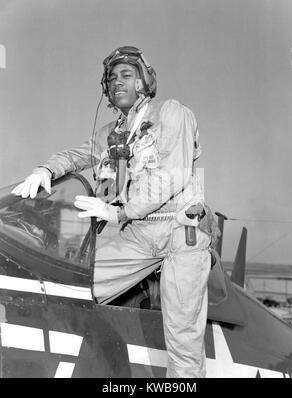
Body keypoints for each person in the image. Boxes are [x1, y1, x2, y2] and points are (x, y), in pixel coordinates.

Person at [12, 46, 217, 378]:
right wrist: (45, 171)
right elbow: (76, 155)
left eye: (126, 74)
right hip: (138, 233)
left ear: (143, 82)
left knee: (183, 338)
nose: (116, 82)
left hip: (181, 234)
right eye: (110, 77)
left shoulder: (171, 113)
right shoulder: (113, 132)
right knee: (70, 288)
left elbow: (172, 174)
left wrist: (119, 212)